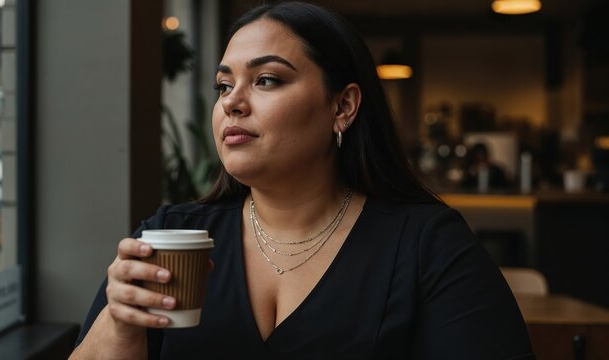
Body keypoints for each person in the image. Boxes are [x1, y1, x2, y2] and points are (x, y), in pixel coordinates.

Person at [70, 2, 534, 359]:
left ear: (343, 107)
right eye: (223, 86)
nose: (233, 102)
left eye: (267, 80)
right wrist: (121, 324)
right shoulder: (169, 234)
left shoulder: (425, 245)